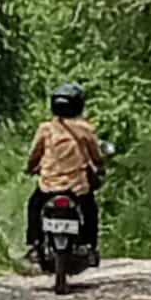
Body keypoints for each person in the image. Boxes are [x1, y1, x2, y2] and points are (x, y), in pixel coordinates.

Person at [25, 81, 104, 255]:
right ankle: (89, 245)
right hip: (77, 186)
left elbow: (34, 154)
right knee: (90, 210)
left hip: (49, 184)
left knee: (34, 206)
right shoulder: (86, 129)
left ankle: (34, 243)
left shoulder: (46, 128)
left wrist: (30, 168)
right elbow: (96, 155)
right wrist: (99, 168)